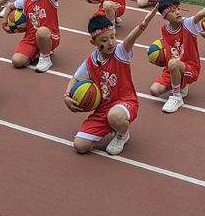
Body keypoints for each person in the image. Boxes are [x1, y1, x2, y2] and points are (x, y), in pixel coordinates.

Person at [63, 10, 153, 155]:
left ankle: (122, 135)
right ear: (94, 42)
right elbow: (75, 78)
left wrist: (144, 23)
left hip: (125, 102)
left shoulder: (120, 53)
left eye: (112, 37)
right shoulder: (91, 61)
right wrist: (67, 96)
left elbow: (131, 38)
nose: (110, 42)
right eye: (104, 40)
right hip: (103, 108)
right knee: (80, 146)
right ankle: (110, 127)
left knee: (115, 116)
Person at [149, 0, 205, 113]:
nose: (178, 13)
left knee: (173, 63)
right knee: (154, 91)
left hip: (190, 66)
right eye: (173, 11)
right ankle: (180, 85)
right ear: (165, 17)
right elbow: (163, 46)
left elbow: (199, 15)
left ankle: (176, 96)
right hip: (173, 66)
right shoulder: (164, 29)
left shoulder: (186, 24)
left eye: (179, 9)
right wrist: (152, 55)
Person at [7, 0, 81, 73]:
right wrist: (5, 24)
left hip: (51, 36)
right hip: (31, 38)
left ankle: (45, 58)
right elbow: (9, 7)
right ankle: (38, 51)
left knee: (41, 31)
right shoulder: (24, 0)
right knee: (17, 62)